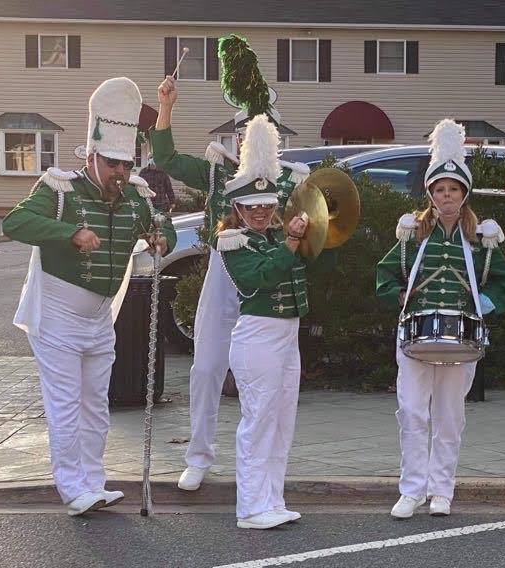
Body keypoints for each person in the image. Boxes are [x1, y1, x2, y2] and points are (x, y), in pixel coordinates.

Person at [2, 77, 176, 516]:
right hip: (57, 314)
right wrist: (69, 233)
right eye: (113, 163)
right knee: (64, 403)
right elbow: (15, 223)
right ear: (93, 155)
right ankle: (71, 487)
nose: (121, 172)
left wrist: (162, 239)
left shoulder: (135, 197)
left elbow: (162, 222)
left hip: (101, 317)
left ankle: (94, 482)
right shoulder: (59, 189)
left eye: (126, 163)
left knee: (97, 403)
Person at [150, 34, 310, 492]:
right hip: (225, 274)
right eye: (241, 133)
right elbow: (164, 158)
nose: (247, 140)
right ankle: (198, 455)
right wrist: (166, 106)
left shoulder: (291, 182)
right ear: (236, 137)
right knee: (205, 368)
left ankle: (264, 470)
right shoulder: (218, 172)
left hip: (272, 280)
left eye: (257, 132)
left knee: (269, 379)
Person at [376, 119, 505, 519]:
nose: (447, 195)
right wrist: (398, 295)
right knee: (413, 412)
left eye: (453, 189)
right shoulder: (413, 233)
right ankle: (410, 490)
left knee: (450, 418)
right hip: (416, 335)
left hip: (461, 338)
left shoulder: (482, 238)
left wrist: (486, 304)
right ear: (431, 195)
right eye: (440, 189)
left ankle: (442, 491)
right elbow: (385, 276)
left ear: (464, 194)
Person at [215, 114, 309, 530]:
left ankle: (272, 498)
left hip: (288, 333)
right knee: (258, 420)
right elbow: (260, 278)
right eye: (251, 207)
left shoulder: (274, 236)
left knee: (281, 419)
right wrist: (291, 240)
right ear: (237, 209)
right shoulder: (232, 241)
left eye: (266, 206)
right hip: (258, 336)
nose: (259, 212)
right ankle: (251, 507)